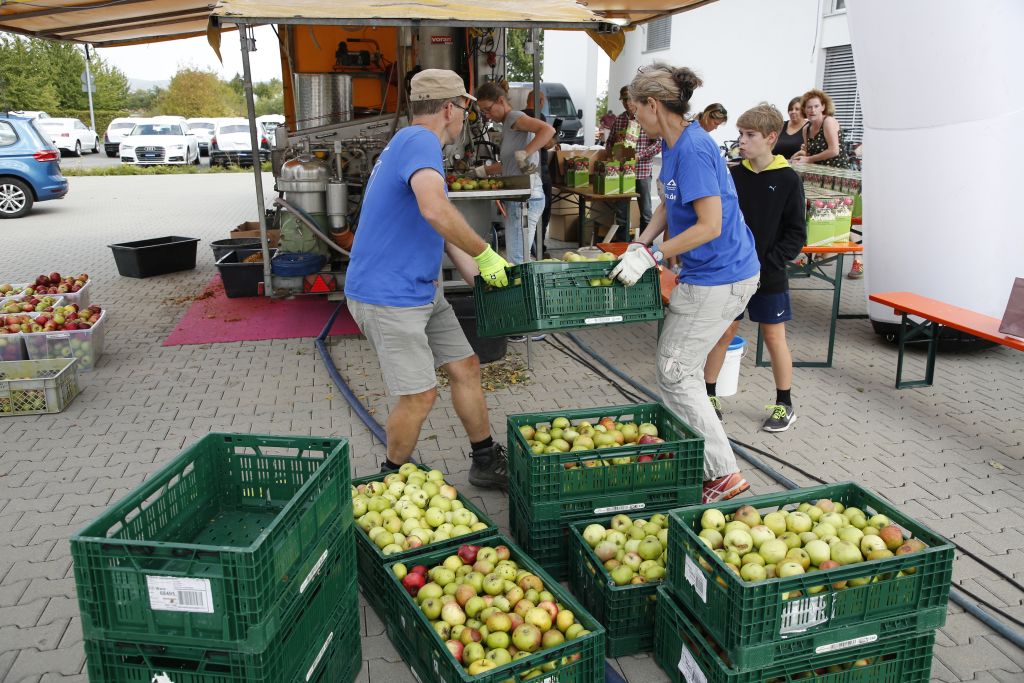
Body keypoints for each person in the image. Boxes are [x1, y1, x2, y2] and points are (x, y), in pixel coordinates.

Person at [344, 69, 512, 489]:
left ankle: (485, 458)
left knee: (466, 367)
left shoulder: (409, 143)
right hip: (389, 296)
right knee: (420, 394)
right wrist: (487, 253)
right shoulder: (420, 141)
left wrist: (480, 276)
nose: (464, 121)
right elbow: (436, 211)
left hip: (422, 290)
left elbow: (436, 225)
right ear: (449, 108)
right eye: (464, 111)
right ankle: (390, 481)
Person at [610, 63, 760, 504]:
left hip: (721, 276)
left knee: (675, 373)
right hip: (711, 274)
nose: (635, 117)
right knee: (678, 370)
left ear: (654, 105)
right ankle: (701, 461)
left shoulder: (693, 148)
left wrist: (655, 256)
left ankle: (722, 474)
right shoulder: (672, 146)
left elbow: (710, 225)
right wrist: (640, 244)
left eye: (636, 109)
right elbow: (668, 204)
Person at [704, 103, 806, 432]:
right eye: (740, 134)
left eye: (749, 135)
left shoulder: (788, 179)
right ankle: (709, 396)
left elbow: (796, 234)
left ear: (770, 138)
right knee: (724, 334)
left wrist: (769, 263)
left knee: (774, 337)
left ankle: (784, 404)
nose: (742, 141)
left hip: (769, 274)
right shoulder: (733, 175)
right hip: (732, 272)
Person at [474, 81, 555, 342]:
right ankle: (528, 318)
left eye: (488, 109)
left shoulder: (516, 117)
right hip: (516, 197)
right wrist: (484, 171)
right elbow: (509, 163)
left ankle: (531, 322)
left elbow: (547, 130)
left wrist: (526, 152)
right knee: (519, 257)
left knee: (519, 260)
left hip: (527, 198)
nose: (487, 115)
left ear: (500, 101)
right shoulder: (507, 126)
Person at [790, 89, 861, 278]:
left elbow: (834, 150)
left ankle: (858, 260)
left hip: (837, 180)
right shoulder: (806, 128)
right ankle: (811, 257)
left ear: (823, 107)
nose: (812, 110)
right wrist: (800, 156)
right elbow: (808, 151)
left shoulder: (828, 122)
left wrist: (809, 159)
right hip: (817, 178)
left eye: (816, 106)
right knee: (817, 217)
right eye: (809, 107)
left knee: (841, 222)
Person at [607, 85, 660, 237]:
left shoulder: (646, 118)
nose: (626, 103)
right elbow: (609, 143)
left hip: (642, 172)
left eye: (629, 99)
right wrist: (614, 152)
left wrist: (639, 155)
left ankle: (644, 246)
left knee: (646, 212)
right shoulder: (620, 120)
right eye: (624, 100)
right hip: (622, 173)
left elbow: (658, 144)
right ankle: (622, 246)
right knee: (621, 212)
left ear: (636, 99)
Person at [524, 89, 558, 252]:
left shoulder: (519, 116)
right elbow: (546, 143)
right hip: (539, 170)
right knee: (543, 211)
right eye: (543, 100)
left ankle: (529, 245)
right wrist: (552, 141)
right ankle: (538, 247)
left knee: (525, 213)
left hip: (524, 170)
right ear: (540, 101)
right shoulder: (539, 117)